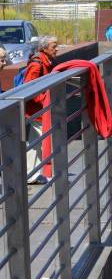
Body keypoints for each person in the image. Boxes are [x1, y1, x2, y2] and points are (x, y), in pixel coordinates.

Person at [24, 36, 58, 185]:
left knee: (37, 143)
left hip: (39, 110)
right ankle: (30, 175)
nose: (56, 49)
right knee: (35, 142)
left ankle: (33, 174)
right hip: (36, 111)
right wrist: (44, 99)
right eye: (53, 46)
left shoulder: (45, 61)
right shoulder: (38, 64)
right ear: (44, 48)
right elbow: (29, 87)